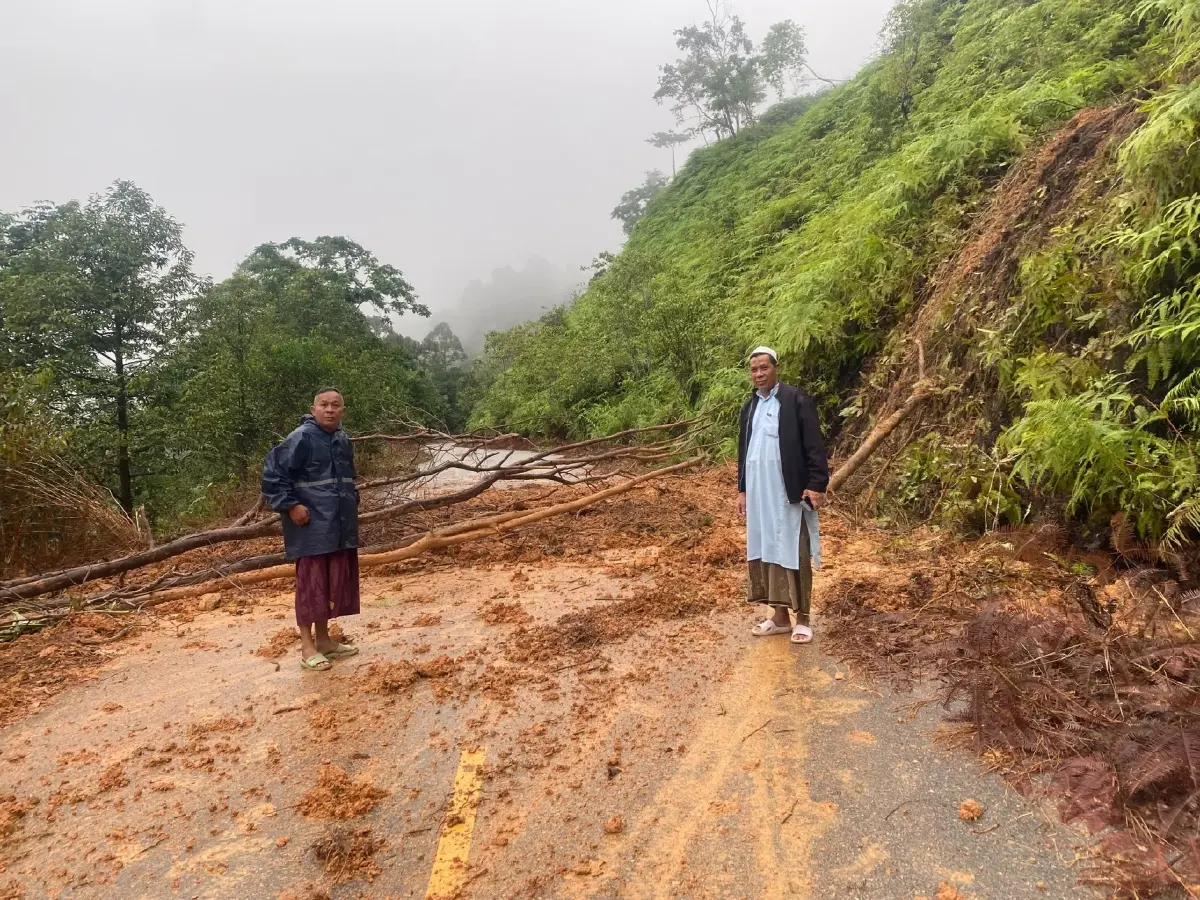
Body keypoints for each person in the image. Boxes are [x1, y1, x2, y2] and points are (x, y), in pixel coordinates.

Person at [262, 388, 362, 671]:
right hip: (310, 524)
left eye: (335, 405)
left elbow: (345, 478)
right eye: (324, 405)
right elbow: (273, 474)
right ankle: (307, 648)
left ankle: (324, 641)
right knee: (311, 585)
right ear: (313, 409)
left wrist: (351, 499)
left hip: (338, 524)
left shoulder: (342, 439)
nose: (329, 409)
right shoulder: (301, 437)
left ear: (343, 410)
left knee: (329, 583)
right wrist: (291, 505)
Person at [737, 347, 829, 644]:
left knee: (794, 550)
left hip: (788, 493)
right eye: (754, 370)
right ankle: (778, 617)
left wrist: (817, 484)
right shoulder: (749, 407)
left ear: (776, 368)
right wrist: (742, 490)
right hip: (759, 494)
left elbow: (814, 444)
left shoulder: (794, 400)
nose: (759, 374)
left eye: (764, 368)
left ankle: (802, 619)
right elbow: (744, 452)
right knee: (765, 548)